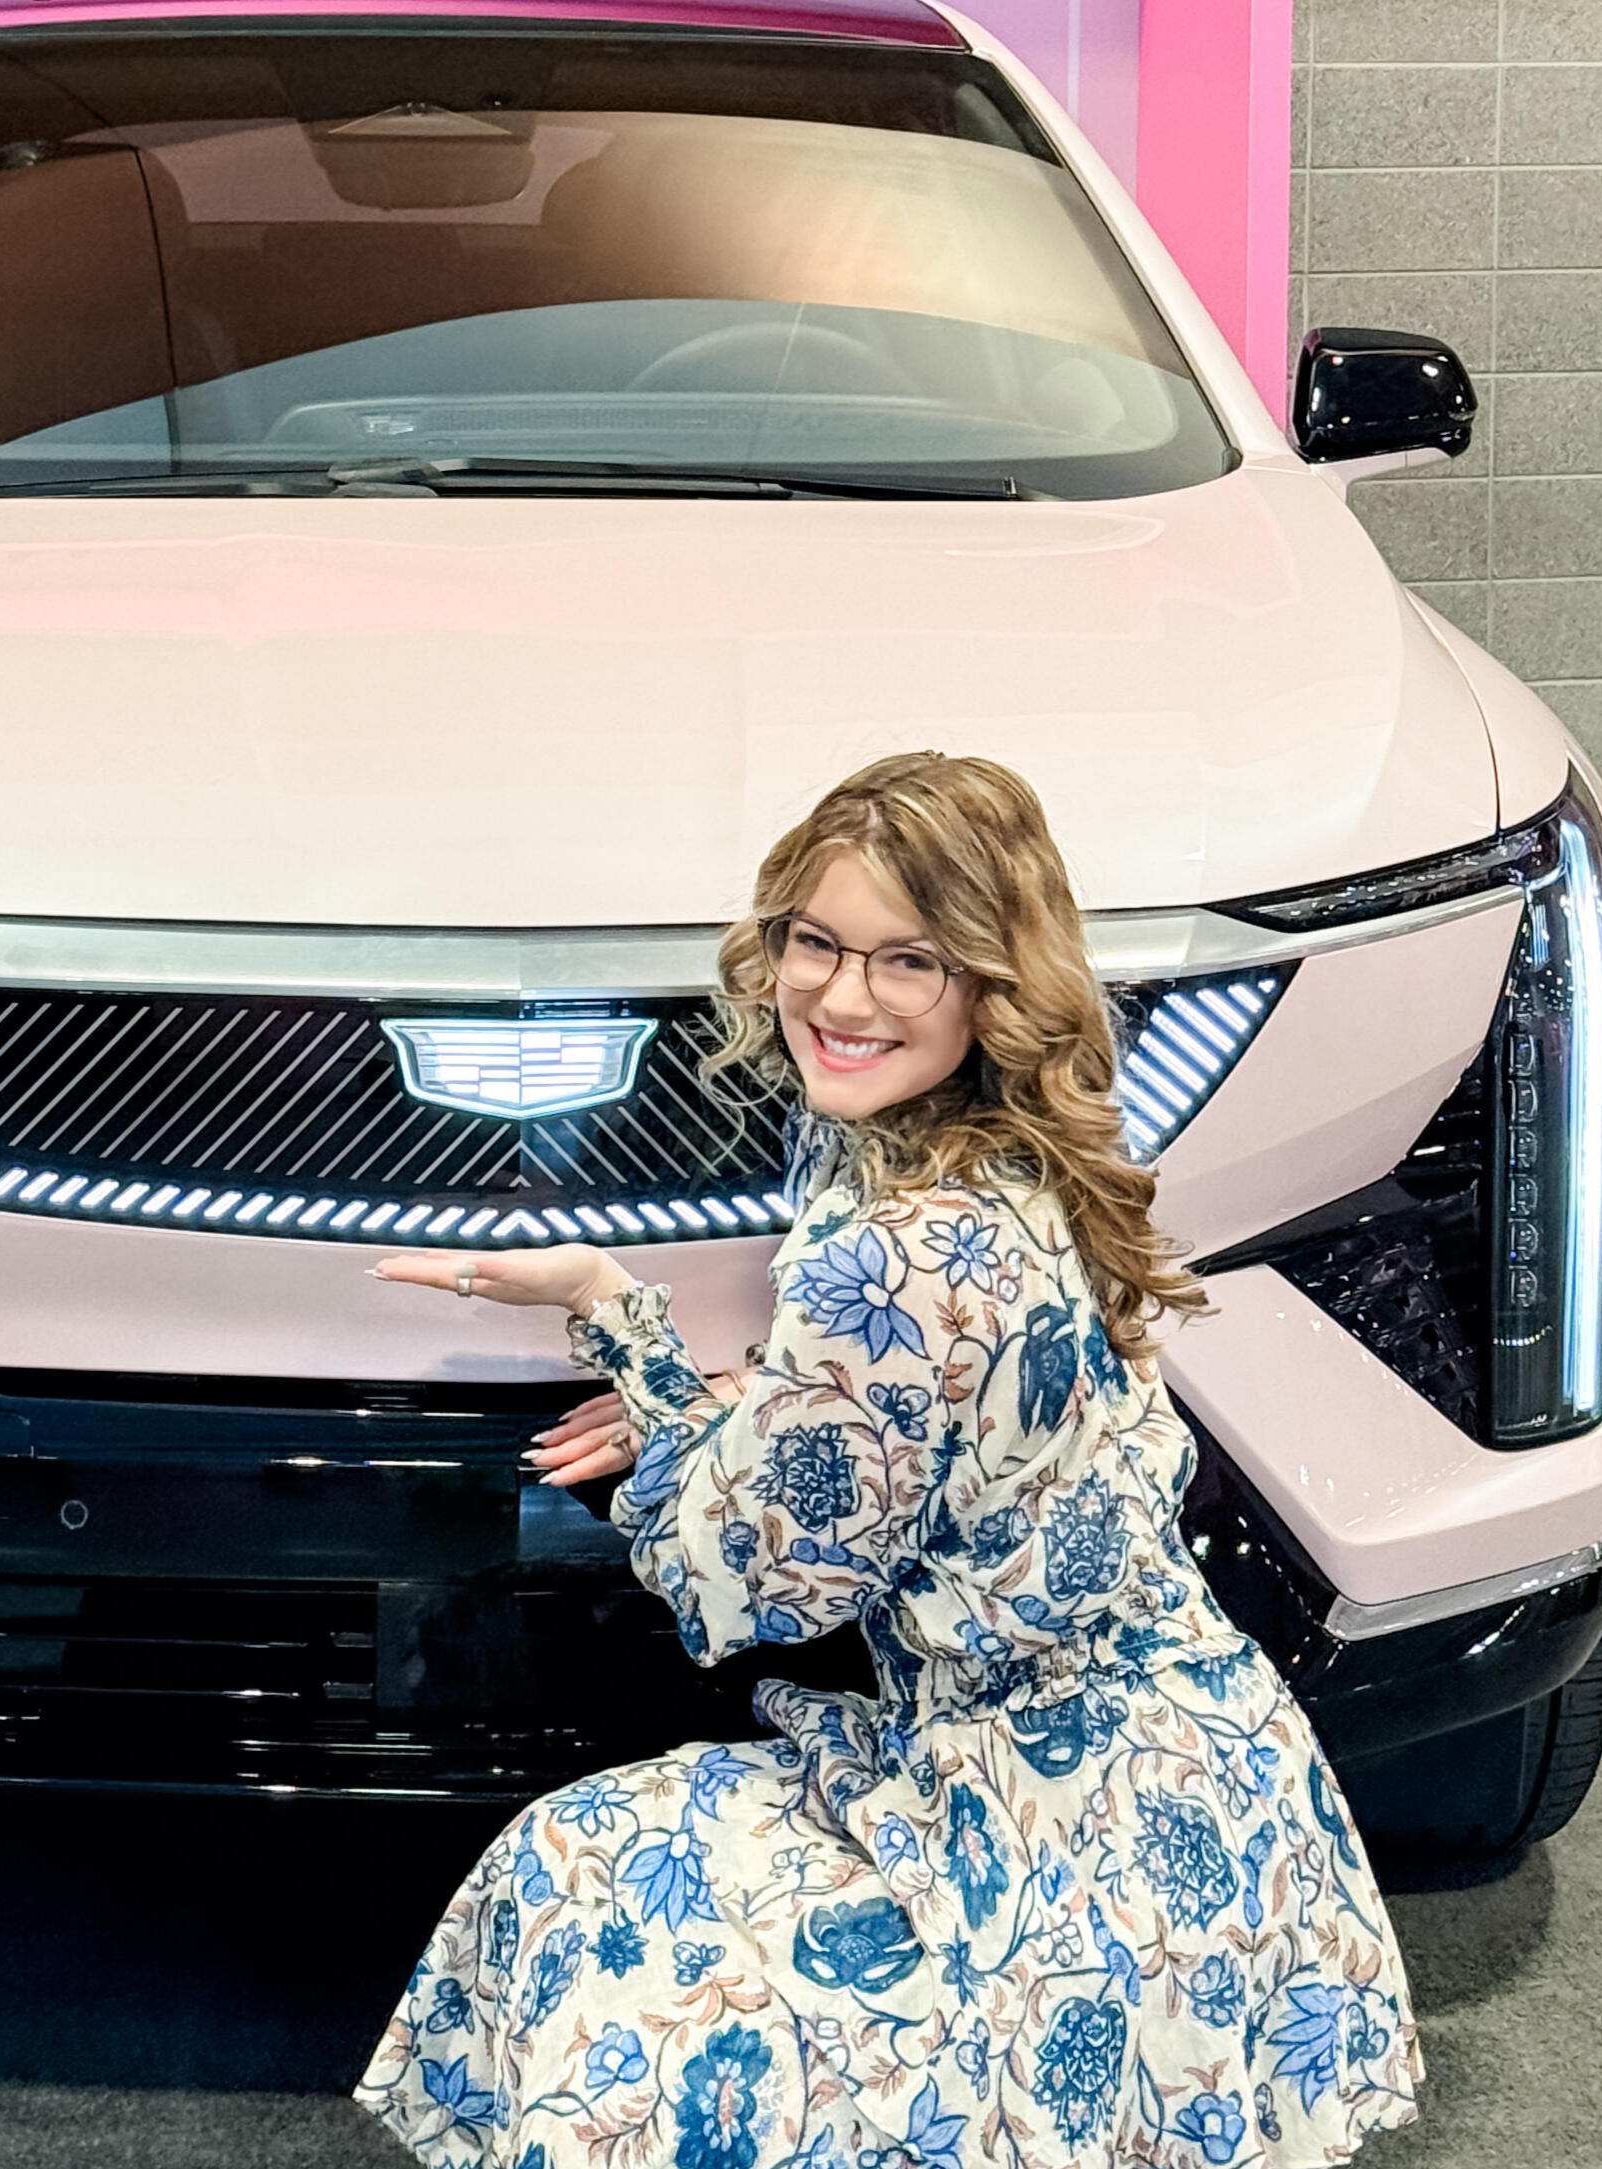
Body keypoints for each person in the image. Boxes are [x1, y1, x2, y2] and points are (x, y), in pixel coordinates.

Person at [356, 752, 1422, 2169]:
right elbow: (955, 1409)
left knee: (582, 1891)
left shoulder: (894, 1249)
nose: (844, 998)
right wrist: (771, 1397)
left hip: (1048, 1849)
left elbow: (737, 1585)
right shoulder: (1011, 1155)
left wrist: (622, 1319)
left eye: (909, 959)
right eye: (817, 942)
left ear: (991, 980)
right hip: (1211, 1788)